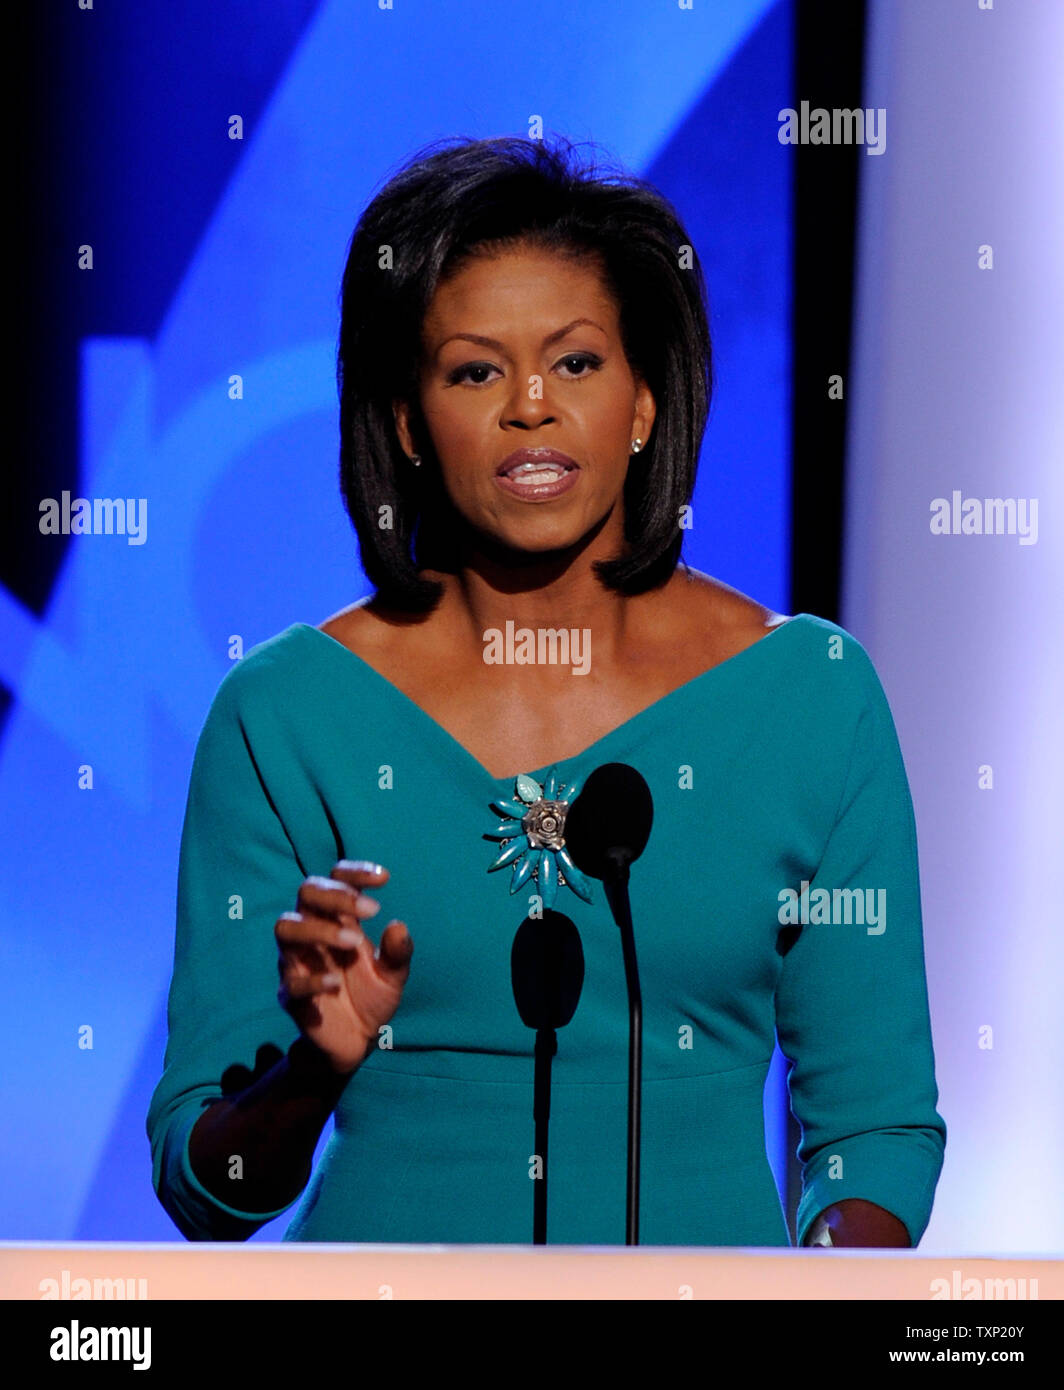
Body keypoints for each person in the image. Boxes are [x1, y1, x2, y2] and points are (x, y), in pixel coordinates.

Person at [146, 134, 945, 1247]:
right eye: (476, 370)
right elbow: (208, 1182)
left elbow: (874, 1127)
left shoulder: (811, 697)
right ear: (409, 424)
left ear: (645, 404)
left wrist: (825, 1290)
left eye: (574, 362)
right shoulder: (285, 714)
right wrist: (315, 1065)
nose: (531, 406)